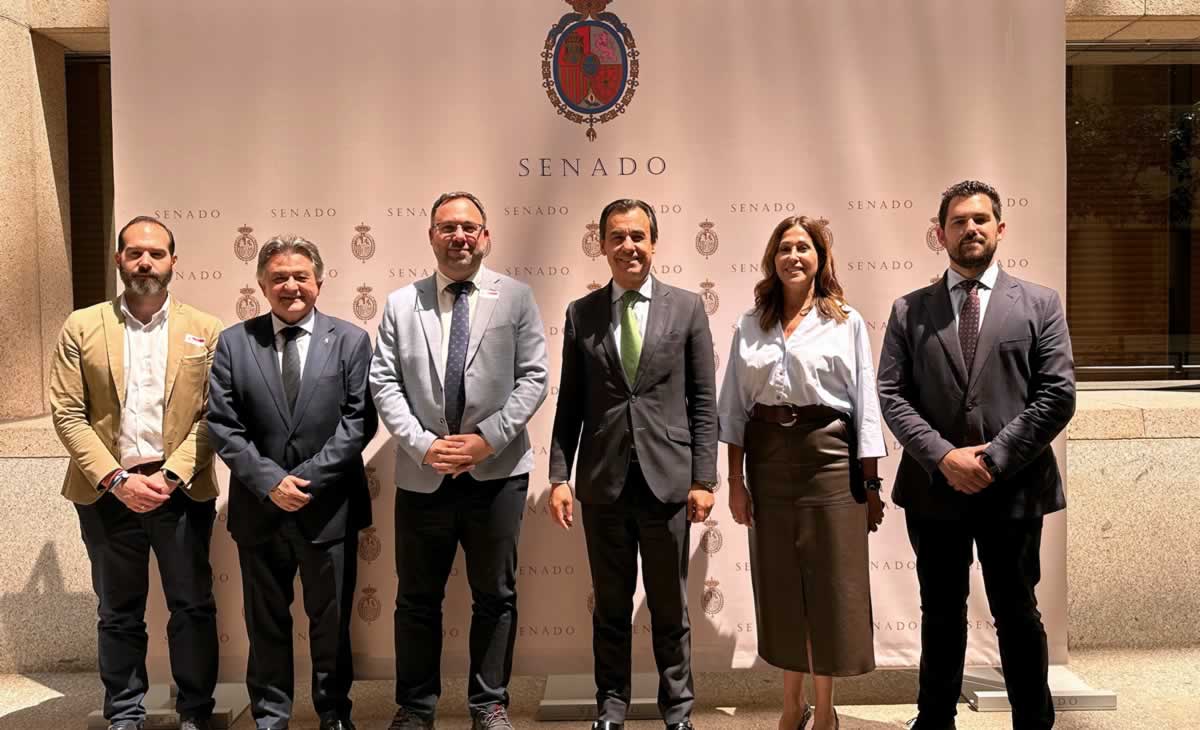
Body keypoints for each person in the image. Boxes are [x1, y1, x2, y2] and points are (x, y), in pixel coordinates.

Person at [877, 180, 1076, 730]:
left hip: (1015, 489)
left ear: (1000, 229)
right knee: (941, 612)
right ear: (939, 233)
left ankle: (1033, 722)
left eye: (981, 219)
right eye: (958, 221)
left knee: (1017, 612)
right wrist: (944, 458)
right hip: (935, 490)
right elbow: (892, 395)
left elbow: (1057, 394)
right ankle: (934, 719)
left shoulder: (1039, 304)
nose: (971, 229)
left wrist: (992, 459)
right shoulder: (908, 310)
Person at [369, 191, 549, 730]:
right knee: (416, 599)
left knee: (495, 596)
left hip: (496, 473)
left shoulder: (516, 297)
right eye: (447, 227)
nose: (459, 236)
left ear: (486, 236)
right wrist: (425, 445)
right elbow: (384, 382)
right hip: (423, 473)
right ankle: (415, 706)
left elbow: (534, 377)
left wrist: (485, 440)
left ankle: (488, 703)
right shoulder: (401, 304)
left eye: (469, 227)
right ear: (431, 236)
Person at [548, 198, 718, 730]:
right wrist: (558, 476)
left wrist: (704, 478)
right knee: (611, 608)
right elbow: (570, 402)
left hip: (668, 483)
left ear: (654, 243)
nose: (629, 247)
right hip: (603, 483)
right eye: (617, 237)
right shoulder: (581, 313)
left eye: (638, 236)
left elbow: (703, 400)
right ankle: (611, 709)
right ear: (601, 245)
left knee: (670, 608)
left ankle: (678, 712)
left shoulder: (687, 308)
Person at [49, 216, 222, 730]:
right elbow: (67, 413)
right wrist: (117, 481)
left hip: (180, 492)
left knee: (192, 606)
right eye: (135, 253)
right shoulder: (82, 325)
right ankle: (125, 714)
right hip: (107, 494)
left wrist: (169, 477)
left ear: (173, 261)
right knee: (118, 611)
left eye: (156, 253)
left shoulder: (206, 328)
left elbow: (215, 416)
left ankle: (196, 711)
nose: (146, 262)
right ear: (118, 259)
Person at [719, 215, 886, 730]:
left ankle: (826, 708)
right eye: (784, 248)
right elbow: (734, 410)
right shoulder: (751, 323)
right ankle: (792, 706)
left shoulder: (846, 321)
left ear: (820, 258)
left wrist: (871, 485)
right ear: (772, 259)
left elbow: (865, 405)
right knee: (781, 586)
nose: (793, 256)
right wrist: (736, 483)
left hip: (830, 461)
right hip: (768, 461)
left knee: (829, 587)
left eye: (804, 248)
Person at [207, 235, 377, 730]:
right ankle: (271, 716)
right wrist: (270, 483)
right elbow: (223, 424)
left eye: (301, 276)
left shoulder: (350, 340)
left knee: (332, 624)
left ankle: (334, 714)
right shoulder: (235, 342)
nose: (290, 286)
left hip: (329, 510)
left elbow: (358, 422)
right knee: (265, 624)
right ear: (262, 285)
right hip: (260, 510)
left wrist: (302, 481)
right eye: (278, 277)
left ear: (319, 282)